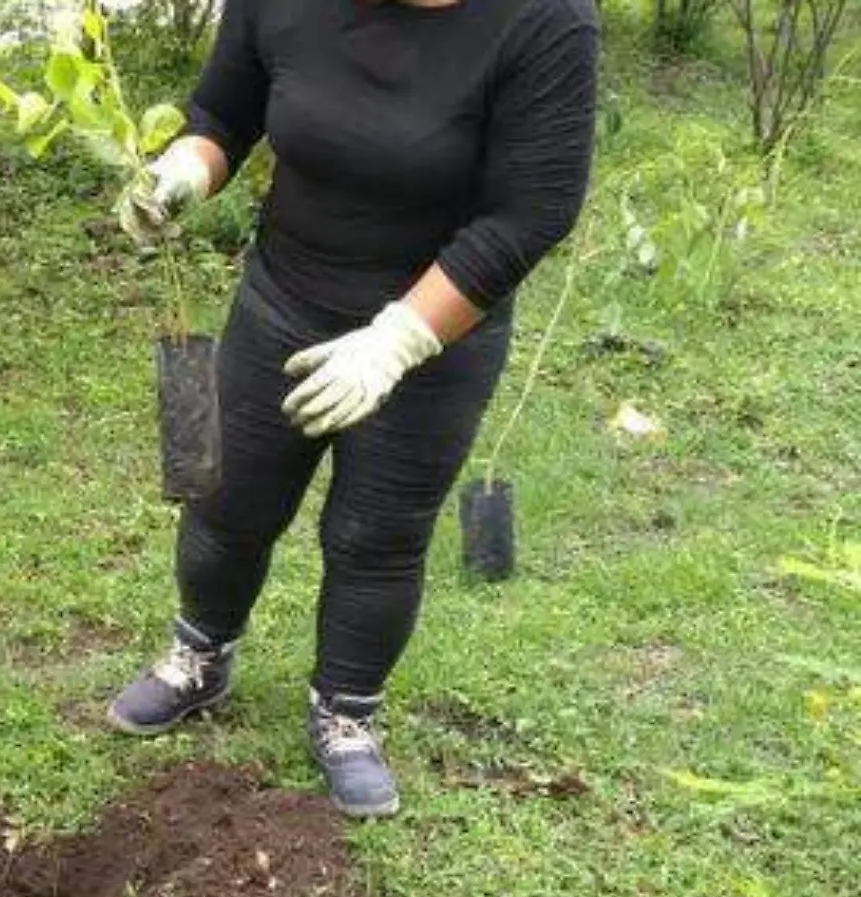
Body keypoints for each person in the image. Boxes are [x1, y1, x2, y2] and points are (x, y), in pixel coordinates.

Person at [110, 0, 599, 817]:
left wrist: (399, 339)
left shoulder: (546, 22)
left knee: (376, 534)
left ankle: (345, 712)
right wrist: (186, 169)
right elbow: (225, 112)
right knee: (225, 497)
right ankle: (201, 652)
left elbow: (529, 212)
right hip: (284, 299)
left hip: (435, 324)